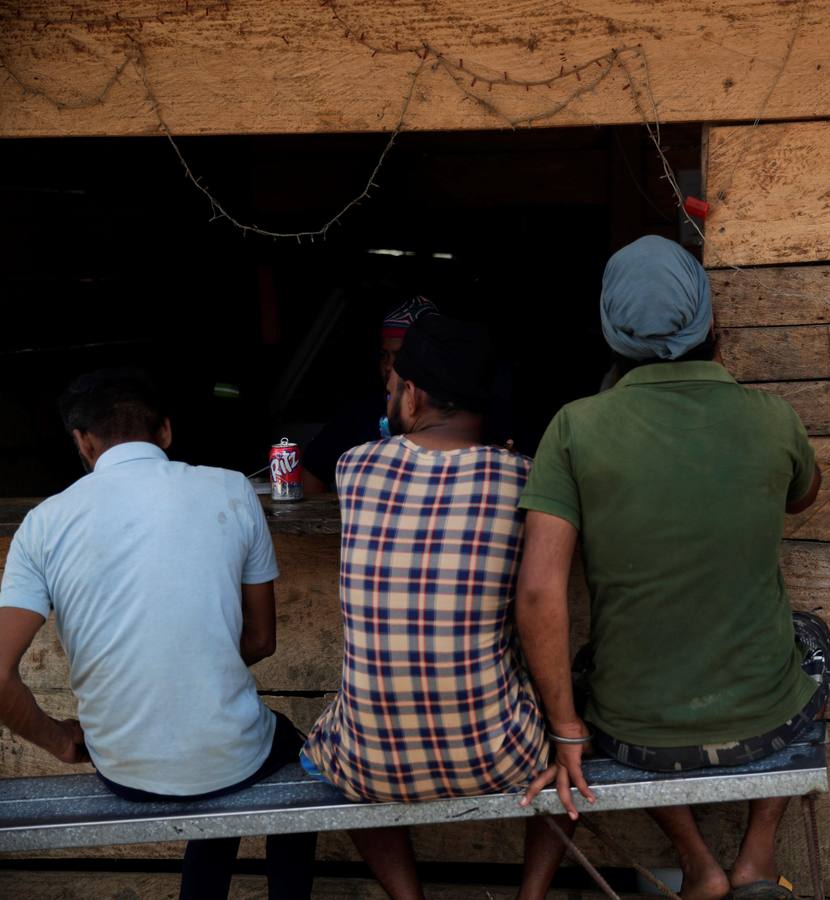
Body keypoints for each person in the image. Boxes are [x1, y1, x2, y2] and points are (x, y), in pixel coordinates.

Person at [513, 235, 830, 900]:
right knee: (814, 641)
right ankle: (756, 855)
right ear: (711, 322)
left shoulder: (574, 427)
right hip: (765, 722)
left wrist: (566, 731)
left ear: (610, 332)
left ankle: (698, 864)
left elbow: (540, 593)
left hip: (631, 735)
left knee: (594, 669)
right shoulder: (771, 418)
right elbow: (804, 495)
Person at [0, 368, 316, 900]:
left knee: (219, 765)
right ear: (165, 431)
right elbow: (262, 640)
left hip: (123, 767)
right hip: (230, 754)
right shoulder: (232, 489)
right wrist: (198, 670)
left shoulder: (43, 523)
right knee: (283, 759)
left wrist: (58, 740)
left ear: (82, 442)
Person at [301, 315, 547, 900]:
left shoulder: (354, 467)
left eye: (394, 386)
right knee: (572, 746)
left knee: (324, 761)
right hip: (502, 755)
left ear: (411, 395)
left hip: (368, 762)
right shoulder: (525, 478)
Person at [300, 295, 438, 494]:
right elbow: (312, 474)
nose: (389, 366)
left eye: (400, 355)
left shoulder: (452, 419)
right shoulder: (361, 413)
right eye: (384, 356)